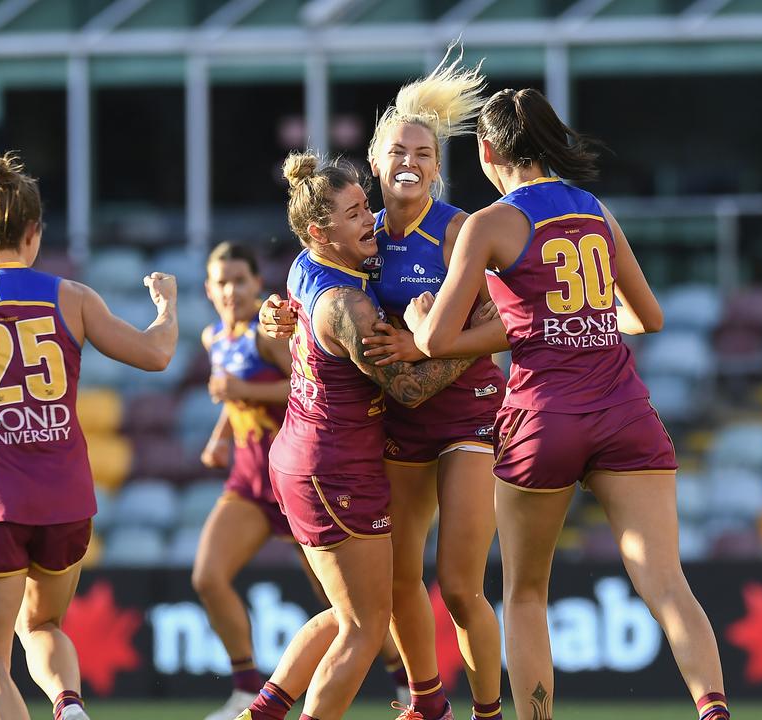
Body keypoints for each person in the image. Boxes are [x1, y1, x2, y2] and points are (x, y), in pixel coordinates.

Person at [407, 89, 731, 720]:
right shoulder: (593, 209)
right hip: (624, 413)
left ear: (487, 149)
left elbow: (439, 341)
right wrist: (572, 317)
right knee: (667, 584)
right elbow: (648, 317)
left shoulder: (489, 223)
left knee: (526, 593)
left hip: (543, 419)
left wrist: (421, 322)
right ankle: (715, 711)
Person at [0, 151, 178, 720]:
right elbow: (157, 353)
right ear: (34, 231)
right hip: (67, 501)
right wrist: (166, 306)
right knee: (43, 624)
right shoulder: (73, 297)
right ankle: (68, 706)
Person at [261, 50, 506, 720]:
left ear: (438, 166)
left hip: (465, 417)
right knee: (398, 584)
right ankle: (428, 703)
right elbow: (310, 281)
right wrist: (272, 313)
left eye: (425, 153)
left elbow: (513, 325)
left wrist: (435, 343)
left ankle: (487, 711)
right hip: (396, 420)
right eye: (399, 149)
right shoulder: (360, 237)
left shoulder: (461, 232)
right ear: (373, 158)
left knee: (458, 587)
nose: (412, 162)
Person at [192, 242, 408, 719]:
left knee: (348, 605)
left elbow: (306, 381)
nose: (231, 291)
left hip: (302, 476)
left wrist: (241, 391)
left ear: (255, 284)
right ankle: (248, 687)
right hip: (254, 479)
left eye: (240, 281)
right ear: (208, 289)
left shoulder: (268, 333)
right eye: (221, 282)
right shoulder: (214, 337)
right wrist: (220, 435)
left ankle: (403, 682)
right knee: (208, 576)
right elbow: (235, 399)